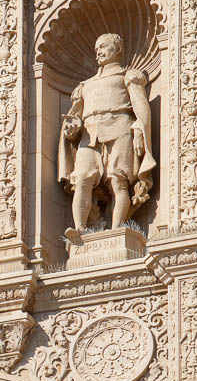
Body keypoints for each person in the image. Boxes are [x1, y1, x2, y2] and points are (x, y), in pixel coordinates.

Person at [58, 33, 155, 237]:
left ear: (118, 49)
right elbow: (75, 114)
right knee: (82, 178)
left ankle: (118, 228)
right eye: (96, 49)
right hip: (90, 132)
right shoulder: (85, 85)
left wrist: (140, 128)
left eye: (103, 46)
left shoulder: (128, 76)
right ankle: (80, 230)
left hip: (120, 127)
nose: (99, 52)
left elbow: (140, 105)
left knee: (118, 180)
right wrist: (72, 128)